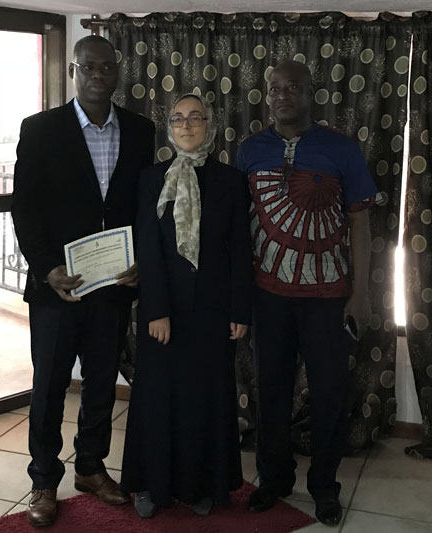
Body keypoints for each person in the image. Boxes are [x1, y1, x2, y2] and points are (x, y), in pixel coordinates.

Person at [11, 35, 155, 528]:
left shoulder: (140, 129)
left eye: (106, 67)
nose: (98, 75)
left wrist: (142, 260)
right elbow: (24, 207)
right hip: (58, 287)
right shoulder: (40, 129)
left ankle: (91, 468)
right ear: (73, 71)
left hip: (112, 285)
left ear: (118, 72)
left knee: (101, 382)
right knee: (50, 386)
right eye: (88, 67)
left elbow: (143, 205)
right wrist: (46, 267)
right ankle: (43, 480)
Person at [235, 61, 376, 527]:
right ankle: (274, 479)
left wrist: (360, 293)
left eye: (292, 87)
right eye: (275, 88)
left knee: (329, 394)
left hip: (328, 295)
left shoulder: (341, 150)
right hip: (266, 294)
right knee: (270, 389)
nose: (282, 95)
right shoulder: (250, 151)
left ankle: (324, 486)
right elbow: (235, 224)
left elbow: (360, 221)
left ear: (311, 93)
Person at [120, 93, 253, 518]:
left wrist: (240, 311)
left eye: (196, 117)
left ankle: (199, 485)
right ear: (169, 127)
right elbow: (148, 248)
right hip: (164, 312)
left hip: (213, 313)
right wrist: (156, 309)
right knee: (156, 399)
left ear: (210, 124)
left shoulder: (230, 181)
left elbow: (240, 250)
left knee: (204, 400)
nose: (187, 125)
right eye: (178, 118)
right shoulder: (151, 179)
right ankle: (150, 485)